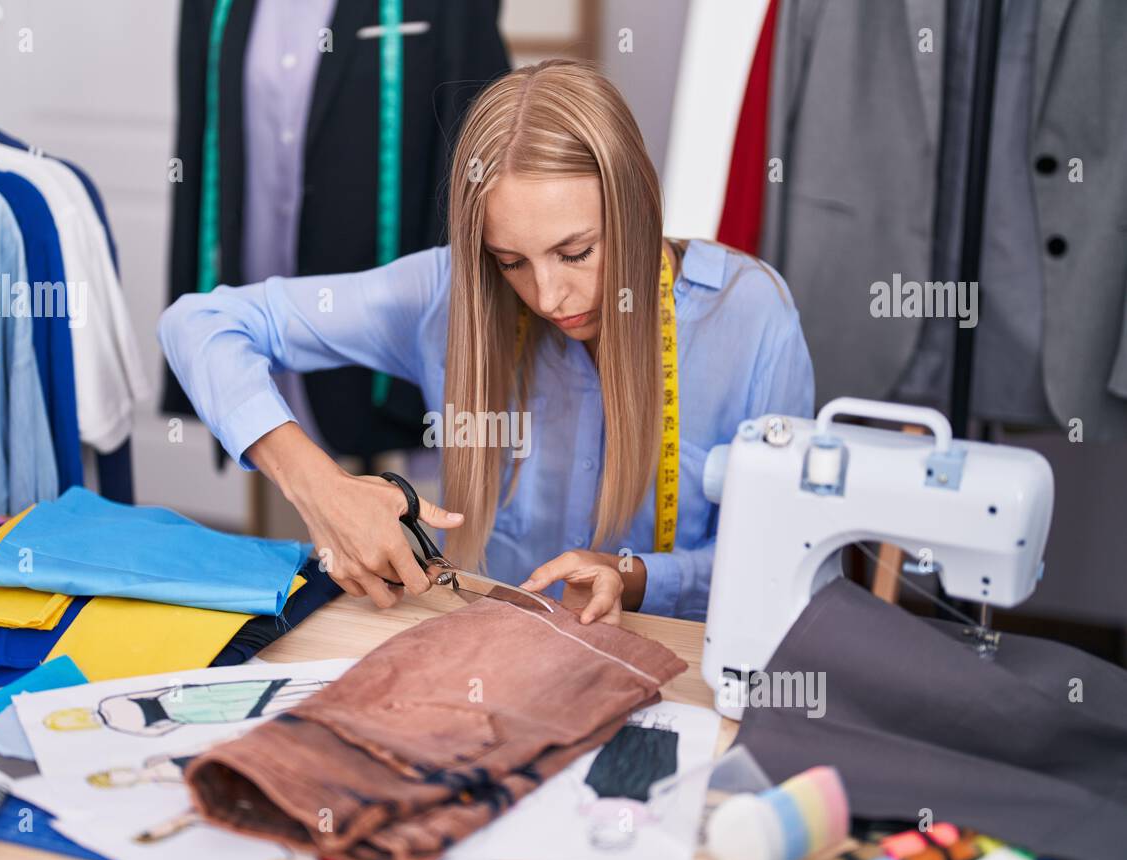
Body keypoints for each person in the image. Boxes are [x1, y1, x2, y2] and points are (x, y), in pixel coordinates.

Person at [160, 59, 814, 625]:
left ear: (640, 203)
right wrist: (321, 489)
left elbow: (789, 556)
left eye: (577, 251)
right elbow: (197, 324)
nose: (549, 295)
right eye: (511, 262)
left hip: (674, 672)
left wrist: (639, 576)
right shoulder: (450, 294)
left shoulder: (751, 318)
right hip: (488, 658)